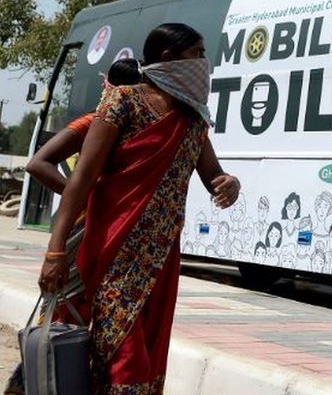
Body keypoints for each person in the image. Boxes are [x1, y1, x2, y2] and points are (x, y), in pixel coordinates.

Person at [37, 23, 240, 393]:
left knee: (145, 344)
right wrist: (55, 249)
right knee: (120, 347)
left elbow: (213, 175)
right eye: (197, 54)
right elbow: (81, 180)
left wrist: (229, 184)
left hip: (160, 256)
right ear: (169, 58)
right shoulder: (122, 102)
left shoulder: (193, 119)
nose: (204, 62)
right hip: (113, 248)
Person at [4, 59, 141, 395]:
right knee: (65, 314)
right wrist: (83, 197)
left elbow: (38, 164)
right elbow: (38, 164)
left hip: (113, 232)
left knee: (87, 318)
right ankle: (29, 384)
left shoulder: (127, 126)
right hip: (84, 231)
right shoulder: (96, 123)